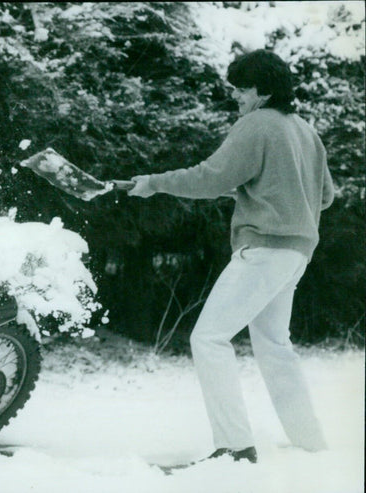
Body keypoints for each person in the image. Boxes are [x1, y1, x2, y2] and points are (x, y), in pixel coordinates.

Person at [127, 49, 334, 464]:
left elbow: (211, 176)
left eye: (242, 88)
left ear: (264, 91)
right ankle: (309, 441)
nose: (236, 96)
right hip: (296, 252)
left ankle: (235, 447)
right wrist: (262, 190)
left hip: (263, 249)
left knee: (208, 338)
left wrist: (153, 182)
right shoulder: (304, 130)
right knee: (275, 344)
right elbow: (324, 196)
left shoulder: (255, 124)